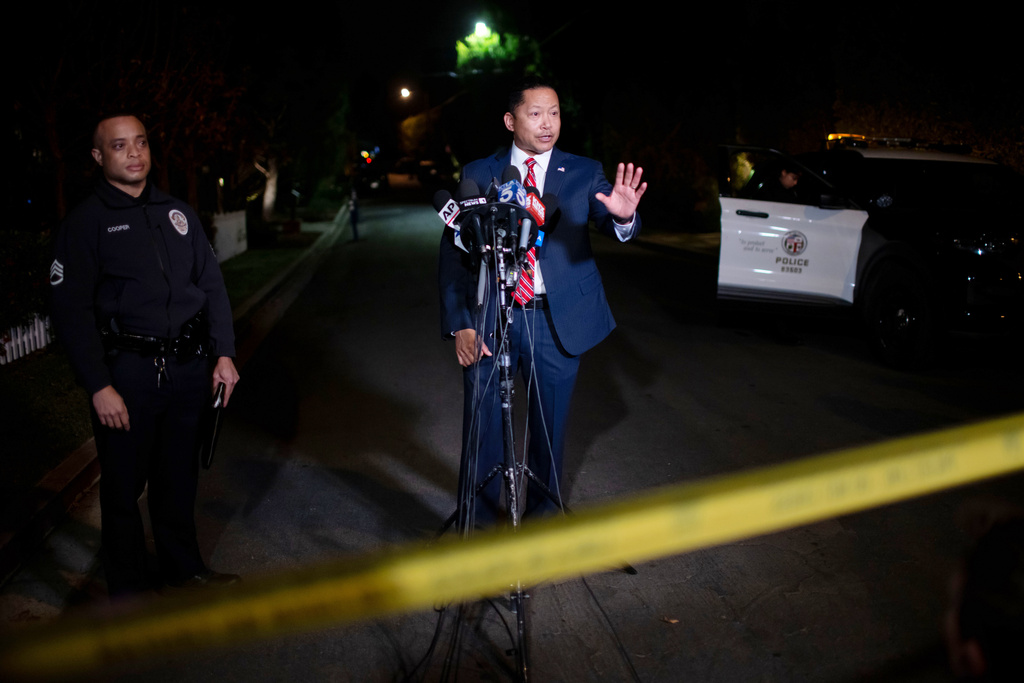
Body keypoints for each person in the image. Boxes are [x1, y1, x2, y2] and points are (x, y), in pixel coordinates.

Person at [438, 80, 647, 527]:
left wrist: (625, 217)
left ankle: (542, 526)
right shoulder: (480, 172)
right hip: (490, 318)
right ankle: (478, 529)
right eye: (535, 113)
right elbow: (454, 254)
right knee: (482, 429)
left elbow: (609, 220)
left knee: (548, 434)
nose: (547, 123)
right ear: (511, 120)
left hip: (555, 321)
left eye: (553, 112)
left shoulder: (584, 171)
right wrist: (461, 323)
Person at [49, 115, 241, 596]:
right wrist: (99, 385)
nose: (134, 153)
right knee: (122, 487)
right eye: (119, 146)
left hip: (187, 368)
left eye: (141, 143)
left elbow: (212, 286)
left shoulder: (178, 212)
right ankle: (128, 587)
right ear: (99, 157)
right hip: (128, 373)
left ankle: (184, 568)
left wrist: (224, 354)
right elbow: (70, 313)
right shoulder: (86, 223)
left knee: (177, 477)